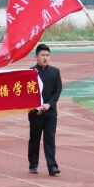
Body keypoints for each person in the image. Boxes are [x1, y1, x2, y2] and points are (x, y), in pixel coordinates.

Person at [28, 44, 61, 175]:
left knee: (50, 139)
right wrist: (36, 105)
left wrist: (49, 104)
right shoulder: (30, 73)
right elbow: (27, 92)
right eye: (42, 55)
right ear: (36, 57)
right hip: (35, 112)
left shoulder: (55, 72)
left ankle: (52, 166)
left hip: (50, 112)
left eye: (47, 55)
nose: (45, 58)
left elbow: (58, 90)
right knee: (34, 139)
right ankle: (33, 164)